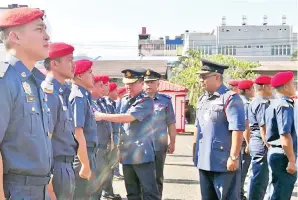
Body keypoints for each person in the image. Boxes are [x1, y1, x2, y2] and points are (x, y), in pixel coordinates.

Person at [0, 7, 52, 199]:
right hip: (16, 191)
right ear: (15, 37)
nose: (47, 37)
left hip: (40, 188)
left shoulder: (35, 82)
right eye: (39, 30)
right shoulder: (5, 79)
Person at [94, 68, 160, 200]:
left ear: (141, 83)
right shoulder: (124, 99)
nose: (127, 86)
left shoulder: (146, 101)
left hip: (142, 154)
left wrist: (101, 116)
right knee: (132, 192)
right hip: (127, 153)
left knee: (149, 192)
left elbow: (127, 117)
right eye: (126, 83)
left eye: (132, 83)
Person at [194, 59, 245, 200]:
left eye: (204, 76)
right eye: (200, 76)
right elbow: (198, 127)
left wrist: (234, 157)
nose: (200, 80)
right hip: (204, 159)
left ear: (217, 77)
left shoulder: (230, 98)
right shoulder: (202, 99)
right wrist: (195, 151)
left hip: (223, 162)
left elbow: (238, 130)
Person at [41, 42, 78, 199]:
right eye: (69, 60)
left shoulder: (62, 92)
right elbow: (44, 139)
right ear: (54, 64)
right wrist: (47, 179)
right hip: (55, 169)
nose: (73, 65)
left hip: (66, 166)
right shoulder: (48, 92)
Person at [143, 69, 177, 198]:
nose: (149, 85)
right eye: (146, 82)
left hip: (158, 146)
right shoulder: (137, 100)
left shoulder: (165, 101)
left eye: (152, 82)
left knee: (157, 177)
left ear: (158, 84)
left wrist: (172, 142)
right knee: (141, 177)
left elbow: (171, 123)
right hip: (140, 146)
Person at [265, 71, 297, 199]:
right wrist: (292, 160)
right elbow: (284, 135)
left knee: (276, 192)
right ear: (285, 87)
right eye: (293, 83)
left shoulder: (272, 103)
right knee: (281, 194)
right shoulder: (284, 105)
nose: (294, 85)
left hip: (276, 152)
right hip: (283, 155)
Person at [69, 59, 98, 199]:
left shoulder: (85, 96)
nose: (93, 76)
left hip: (88, 153)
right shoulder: (78, 97)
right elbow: (77, 132)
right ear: (80, 75)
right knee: (79, 195)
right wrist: (85, 164)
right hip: (81, 156)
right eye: (90, 72)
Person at [246, 75, 272, 200]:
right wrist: (270, 146)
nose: (272, 87)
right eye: (270, 85)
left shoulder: (256, 101)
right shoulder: (262, 103)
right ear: (263, 87)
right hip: (262, 144)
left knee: (257, 177)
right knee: (260, 180)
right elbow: (264, 128)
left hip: (256, 142)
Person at [237, 80, 254, 200]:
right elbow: (246, 126)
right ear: (247, 90)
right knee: (242, 171)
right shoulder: (246, 104)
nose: (254, 91)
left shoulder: (237, 101)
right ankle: (239, 195)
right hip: (243, 142)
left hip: (237, 140)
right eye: (252, 88)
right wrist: (248, 143)